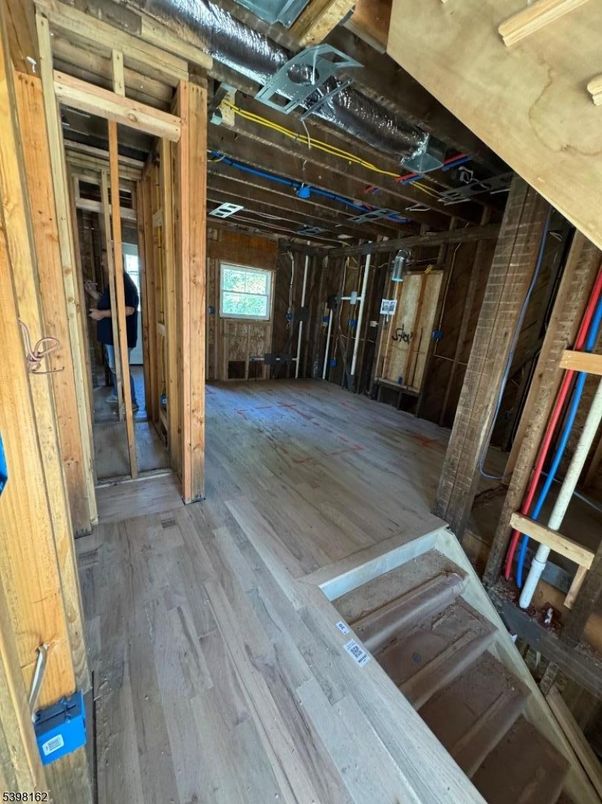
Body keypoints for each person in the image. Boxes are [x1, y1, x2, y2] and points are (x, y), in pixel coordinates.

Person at [85, 273, 139, 411]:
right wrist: (92, 292)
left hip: (120, 336)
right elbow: (110, 302)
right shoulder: (114, 281)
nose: (103, 263)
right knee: (115, 367)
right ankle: (117, 394)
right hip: (112, 336)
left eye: (104, 261)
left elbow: (129, 309)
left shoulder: (124, 283)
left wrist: (101, 314)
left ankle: (131, 402)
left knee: (121, 368)